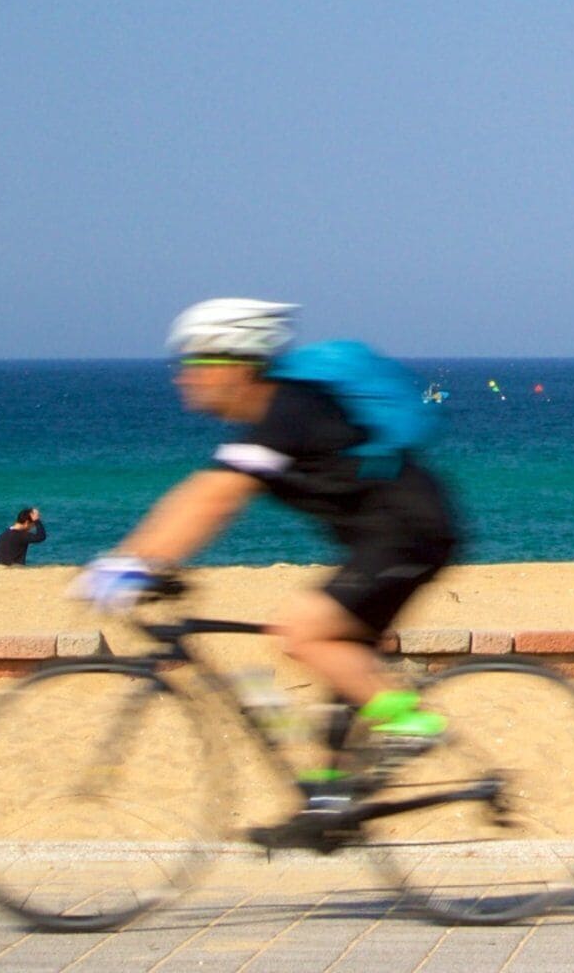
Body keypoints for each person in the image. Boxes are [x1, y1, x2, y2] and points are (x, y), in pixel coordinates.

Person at [73, 300, 462, 800]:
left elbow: (214, 497)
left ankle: (413, 724)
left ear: (238, 364)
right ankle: (329, 804)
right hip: (383, 539)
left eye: (196, 362)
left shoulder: (290, 411)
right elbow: (201, 491)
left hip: (411, 535)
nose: (183, 376)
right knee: (340, 666)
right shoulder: (271, 420)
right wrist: (135, 556)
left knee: (303, 631)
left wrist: (130, 564)